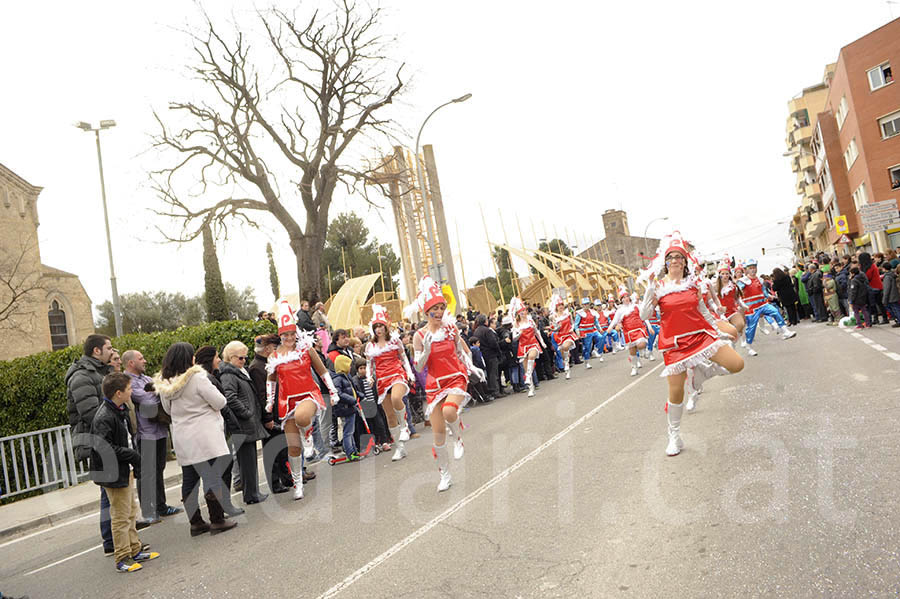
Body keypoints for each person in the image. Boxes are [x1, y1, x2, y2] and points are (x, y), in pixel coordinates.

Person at [638, 232, 744, 456]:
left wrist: (718, 332)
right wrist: (649, 288)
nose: (675, 260)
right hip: (674, 344)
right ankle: (674, 436)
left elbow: (704, 312)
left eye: (679, 256)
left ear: (685, 262)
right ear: (665, 262)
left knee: (736, 364)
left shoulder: (693, 284)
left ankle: (703, 374)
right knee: (675, 392)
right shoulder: (657, 287)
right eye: (671, 257)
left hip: (701, 336)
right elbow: (645, 314)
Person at [408, 277, 484, 492]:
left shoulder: (451, 329)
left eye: (442, 307)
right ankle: (445, 474)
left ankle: (458, 438)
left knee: (451, 411)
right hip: (434, 385)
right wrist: (428, 351)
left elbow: (462, 352)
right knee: (438, 434)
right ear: (426, 312)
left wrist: (472, 367)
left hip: (455, 376)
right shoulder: (419, 336)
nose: (440, 312)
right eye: (435, 309)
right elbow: (419, 365)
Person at [154, 343, 237, 537]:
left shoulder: (165, 384)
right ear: (188, 359)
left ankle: (196, 522)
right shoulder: (198, 378)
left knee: (190, 479)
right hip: (206, 434)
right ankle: (217, 519)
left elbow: (167, 410)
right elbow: (220, 401)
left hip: (183, 436)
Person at [265, 300, 340, 500]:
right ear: (280, 336)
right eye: (285, 335)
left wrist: (333, 392)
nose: (289, 338)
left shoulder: (306, 349)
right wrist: (269, 401)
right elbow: (271, 381)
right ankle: (298, 483)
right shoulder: (274, 356)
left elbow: (322, 371)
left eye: (292, 334)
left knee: (302, 417)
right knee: (293, 447)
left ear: (296, 332)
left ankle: (309, 439)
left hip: (308, 395)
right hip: (286, 402)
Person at [90, 372, 160, 572]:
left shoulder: (119, 410)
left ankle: (135, 549)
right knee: (120, 517)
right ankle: (122, 557)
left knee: (130, 512)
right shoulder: (104, 416)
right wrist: (131, 455)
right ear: (119, 393)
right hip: (112, 473)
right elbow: (104, 448)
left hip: (124, 469)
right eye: (129, 389)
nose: (132, 391)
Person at [66, 334, 115, 554]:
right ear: (97, 351)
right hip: (98, 441)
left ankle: (118, 537)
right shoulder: (81, 376)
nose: (112, 351)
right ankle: (111, 541)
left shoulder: (100, 372)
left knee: (114, 489)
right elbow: (91, 413)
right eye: (109, 348)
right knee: (109, 490)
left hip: (107, 438)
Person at [122, 350, 182, 524]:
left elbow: (164, 394)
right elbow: (148, 400)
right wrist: (158, 394)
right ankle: (148, 511)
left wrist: (157, 393)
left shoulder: (147, 379)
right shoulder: (128, 382)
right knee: (146, 473)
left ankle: (161, 506)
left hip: (160, 430)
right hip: (145, 432)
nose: (145, 360)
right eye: (141, 358)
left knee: (159, 469)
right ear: (131, 363)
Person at [219, 341, 269, 505]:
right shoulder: (229, 374)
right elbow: (230, 397)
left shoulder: (238, 371)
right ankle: (251, 494)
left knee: (250, 460)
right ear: (231, 357)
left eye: (245, 357)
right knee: (247, 461)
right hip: (242, 424)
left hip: (247, 423)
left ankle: (253, 492)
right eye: (241, 358)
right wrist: (246, 412)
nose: (244, 361)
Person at [365, 305, 417, 461]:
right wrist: (369, 376)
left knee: (396, 398)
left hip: (396, 374)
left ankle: (405, 427)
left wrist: (409, 373)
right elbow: (369, 364)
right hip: (381, 380)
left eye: (381, 326)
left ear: (386, 327)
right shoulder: (370, 346)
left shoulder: (395, 340)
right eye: (376, 327)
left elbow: (403, 358)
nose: (379, 329)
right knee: (389, 416)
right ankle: (400, 448)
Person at [249, 334, 294, 494]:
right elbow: (262, 395)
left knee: (282, 449)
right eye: (274, 348)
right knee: (271, 451)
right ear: (267, 349)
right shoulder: (256, 367)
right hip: (269, 414)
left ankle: (287, 477)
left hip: (279, 411)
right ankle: (275, 483)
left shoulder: (268, 364)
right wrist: (267, 417)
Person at [737, 258, 796, 356]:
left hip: (763, 304)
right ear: (747, 269)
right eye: (751, 268)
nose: (753, 270)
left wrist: (769, 296)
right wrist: (741, 304)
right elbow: (737, 294)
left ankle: (785, 331)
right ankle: (749, 346)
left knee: (775, 312)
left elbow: (763, 291)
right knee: (751, 328)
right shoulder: (743, 281)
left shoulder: (760, 280)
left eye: (754, 268)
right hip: (751, 308)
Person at [607, 286, 650, 376]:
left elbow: (644, 316)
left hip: (639, 329)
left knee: (641, 344)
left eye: (627, 297)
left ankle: (643, 350)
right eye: (624, 297)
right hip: (628, 332)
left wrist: (649, 327)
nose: (626, 298)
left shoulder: (636, 306)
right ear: (621, 300)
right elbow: (615, 320)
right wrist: (610, 328)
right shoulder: (620, 310)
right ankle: (634, 368)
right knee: (632, 352)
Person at [510, 296, 545, 397]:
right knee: (526, 368)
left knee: (531, 356)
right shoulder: (516, 324)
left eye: (525, 311)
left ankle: (528, 376)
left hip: (533, 343)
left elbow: (536, 332)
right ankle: (531, 388)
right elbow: (514, 338)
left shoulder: (530, 321)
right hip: (523, 346)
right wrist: (519, 333)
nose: (524, 313)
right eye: (522, 311)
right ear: (518, 313)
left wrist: (542, 343)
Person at [332, 355, 361, 461]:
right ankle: (350, 452)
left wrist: (359, 395)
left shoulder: (346, 377)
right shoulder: (338, 379)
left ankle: (353, 450)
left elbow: (352, 390)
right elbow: (338, 393)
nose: (350, 367)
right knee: (348, 432)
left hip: (350, 407)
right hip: (345, 408)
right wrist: (351, 399)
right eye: (348, 365)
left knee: (350, 431)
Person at [472, 314, 504, 398]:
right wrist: (498, 352)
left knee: (489, 373)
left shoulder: (476, 331)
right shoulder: (487, 331)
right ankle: (495, 391)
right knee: (494, 373)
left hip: (483, 354)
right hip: (491, 354)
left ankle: (491, 389)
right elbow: (493, 343)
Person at [551, 293, 580, 378]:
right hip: (560, 336)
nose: (561, 307)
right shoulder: (554, 316)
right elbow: (553, 328)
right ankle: (566, 364)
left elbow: (573, 322)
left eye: (562, 305)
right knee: (563, 351)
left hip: (569, 334)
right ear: (556, 307)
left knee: (565, 346)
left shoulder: (568, 314)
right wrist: (557, 327)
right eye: (559, 305)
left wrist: (572, 328)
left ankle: (567, 364)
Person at [860, 252, 888, 324]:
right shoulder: (865, 266)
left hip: (875, 287)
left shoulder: (872, 266)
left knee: (878, 303)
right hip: (871, 287)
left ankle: (884, 318)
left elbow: (868, 277)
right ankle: (876, 318)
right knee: (873, 304)